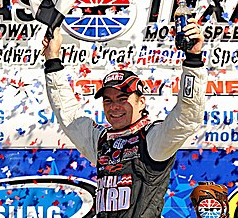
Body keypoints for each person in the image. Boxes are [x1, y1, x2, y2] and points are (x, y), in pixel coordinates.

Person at [42, 18, 207, 217]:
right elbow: (67, 113)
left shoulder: (153, 139)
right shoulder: (102, 140)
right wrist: (52, 60)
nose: (115, 107)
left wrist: (193, 60)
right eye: (108, 101)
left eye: (122, 99)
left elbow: (187, 117)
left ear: (142, 102)